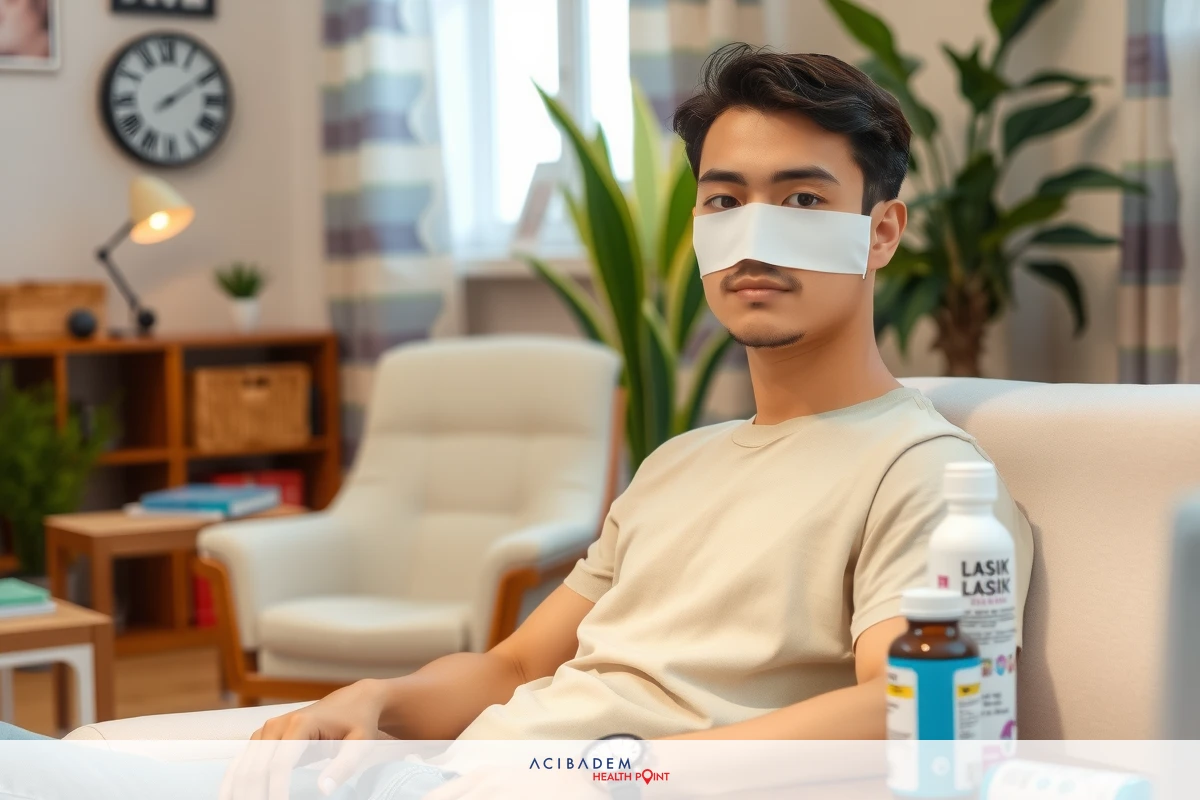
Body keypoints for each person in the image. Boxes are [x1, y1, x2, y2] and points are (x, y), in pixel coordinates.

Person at [0, 44, 1033, 800]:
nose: (754, 235)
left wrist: (622, 770)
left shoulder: (924, 471)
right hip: (464, 763)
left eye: (802, 201)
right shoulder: (680, 462)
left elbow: (912, 705)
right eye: (724, 200)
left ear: (882, 230)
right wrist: (378, 700)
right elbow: (512, 666)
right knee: (77, 750)